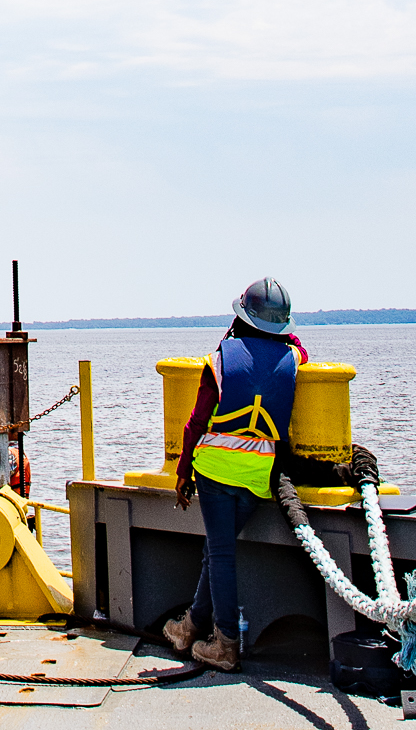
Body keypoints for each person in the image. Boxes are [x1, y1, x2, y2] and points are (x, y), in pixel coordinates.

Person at [163, 277, 380, 673]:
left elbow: (195, 424)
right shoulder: (292, 360)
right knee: (218, 551)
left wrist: (182, 474)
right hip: (259, 475)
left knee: (221, 554)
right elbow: (300, 349)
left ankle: (225, 643)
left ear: (240, 317)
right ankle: (190, 626)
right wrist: (287, 341)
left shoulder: (219, 361)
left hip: (214, 471)